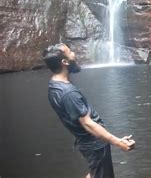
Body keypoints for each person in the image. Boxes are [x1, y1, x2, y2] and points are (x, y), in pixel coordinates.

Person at [43, 43, 135, 178]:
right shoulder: (68, 93)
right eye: (70, 52)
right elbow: (87, 123)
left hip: (87, 142)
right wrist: (118, 142)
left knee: (95, 173)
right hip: (94, 144)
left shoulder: (54, 86)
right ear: (65, 62)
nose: (74, 53)